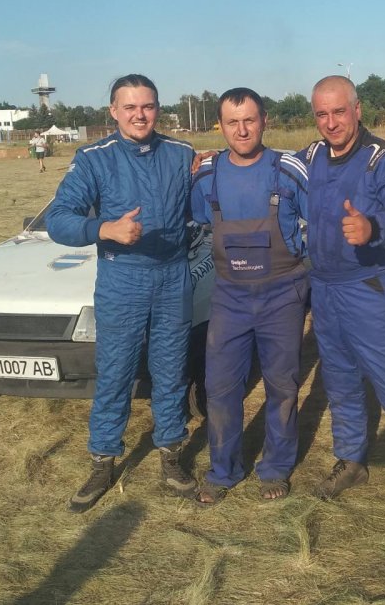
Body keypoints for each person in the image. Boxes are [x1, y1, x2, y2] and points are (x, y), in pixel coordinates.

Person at [45, 74, 198, 513]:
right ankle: (103, 460)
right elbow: (58, 218)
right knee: (115, 374)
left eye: (147, 106)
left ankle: (171, 454)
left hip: (173, 278)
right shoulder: (94, 159)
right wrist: (104, 229)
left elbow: (207, 200)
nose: (139, 115)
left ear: (158, 108)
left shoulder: (182, 154)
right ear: (113, 111)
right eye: (129, 107)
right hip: (122, 280)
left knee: (171, 371)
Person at [301, 75, 385, 528]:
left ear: (357, 110)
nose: (331, 122)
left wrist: (373, 227)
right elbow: (267, 169)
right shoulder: (310, 157)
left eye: (339, 111)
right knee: (340, 381)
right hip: (325, 288)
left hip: (369, 286)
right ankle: (352, 461)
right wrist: (213, 162)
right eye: (322, 114)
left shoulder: (384, 159)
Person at [190, 88, 309, 506]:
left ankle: (275, 467)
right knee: (220, 386)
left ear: (264, 121)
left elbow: (322, 220)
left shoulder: (289, 170)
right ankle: (223, 470)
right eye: (232, 122)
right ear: (220, 126)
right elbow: (191, 221)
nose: (242, 130)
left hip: (282, 293)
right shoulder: (206, 175)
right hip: (230, 296)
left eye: (249, 120)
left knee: (282, 385)